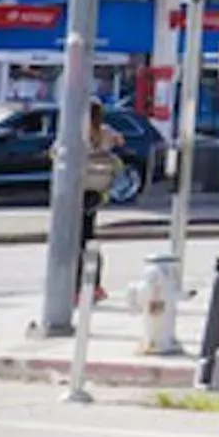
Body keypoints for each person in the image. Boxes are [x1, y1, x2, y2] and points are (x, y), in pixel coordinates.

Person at [77, 109, 126, 303]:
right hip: (97, 191)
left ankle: (82, 287)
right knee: (88, 239)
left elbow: (56, 152)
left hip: (80, 190)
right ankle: (93, 285)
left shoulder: (79, 131)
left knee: (79, 241)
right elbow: (120, 142)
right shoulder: (105, 131)